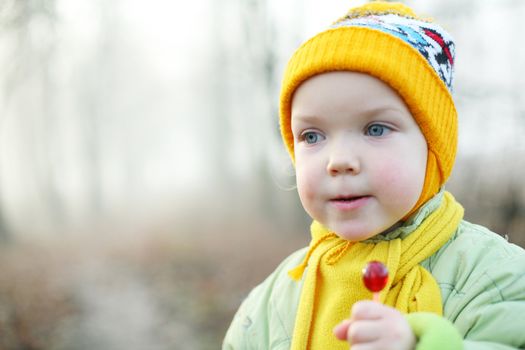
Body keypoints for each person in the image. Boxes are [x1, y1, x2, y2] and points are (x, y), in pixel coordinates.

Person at [223, 2, 525, 349]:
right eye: (312, 136)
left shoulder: (494, 276)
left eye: (376, 129)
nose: (339, 161)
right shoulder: (270, 304)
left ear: (432, 147)